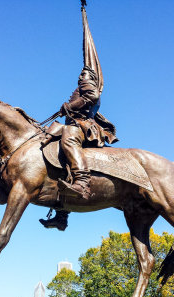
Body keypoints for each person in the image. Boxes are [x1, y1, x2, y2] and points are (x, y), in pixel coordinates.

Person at [39, 66, 118, 230]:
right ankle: (61, 216)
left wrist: (71, 106)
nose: (80, 76)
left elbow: (93, 96)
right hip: (74, 124)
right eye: (81, 74)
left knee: (69, 140)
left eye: (83, 74)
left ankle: (82, 182)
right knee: (62, 161)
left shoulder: (88, 85)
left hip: (82, 127)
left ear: (91, 77)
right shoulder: (80, 87)